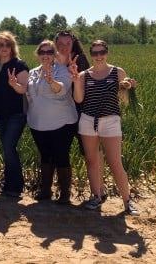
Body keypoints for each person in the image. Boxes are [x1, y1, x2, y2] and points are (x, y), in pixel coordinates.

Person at [70, 39, 139, 215]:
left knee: (116, 163)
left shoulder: (118, 72)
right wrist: (76, 80)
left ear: (107, 53)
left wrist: (129, 88)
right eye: (95, 53)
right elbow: (78, 99)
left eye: (102, 52)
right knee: (92, 161)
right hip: (88, 120)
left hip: (110, 121)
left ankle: (127, 201)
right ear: (91, 55)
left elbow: (125, 100)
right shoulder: (85, 75)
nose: (98, 56)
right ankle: (96, 197)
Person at [56, 29, 108, 201]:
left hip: (82, 113)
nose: (64, 47)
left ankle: (100, 188)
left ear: (73, 44)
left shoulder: (81, 60)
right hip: (61, 115)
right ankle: (64, 191)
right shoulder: (52, 61)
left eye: (67, 43)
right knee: (61, 152)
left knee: (90, 153)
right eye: (60, 44)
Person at [26, 40, 77, 204]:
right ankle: (46, 190)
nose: (45, 55)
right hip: (38, 123)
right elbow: (28, 93)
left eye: (49, 52)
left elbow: (62, 89)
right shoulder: (33, 72)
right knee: (45, 156)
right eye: (42, 52)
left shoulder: (62, 70)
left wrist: (51, 82)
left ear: (54, 54)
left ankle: (64, 194)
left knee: (61, 156)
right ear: (38, 54)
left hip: (62, 122)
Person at [0, 31, 29, 198]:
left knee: (8, 147)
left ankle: (17, 185)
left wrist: (14, 84)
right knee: (7, 149)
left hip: (16, 114)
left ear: (12, 47)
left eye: (7, 45)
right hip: (0, 114)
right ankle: (9, 184)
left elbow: (24, 89)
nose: (4, 48)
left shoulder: (19, 65)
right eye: (0, 44)